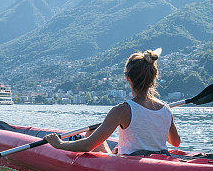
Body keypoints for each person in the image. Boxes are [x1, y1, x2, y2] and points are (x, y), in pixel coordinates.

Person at [44, 49, 180, 155]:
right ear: (154, 77)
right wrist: (154, 127)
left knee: (91, 136)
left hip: (132, 167)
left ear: (127, 76)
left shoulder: (122, 110)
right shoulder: (165, 109)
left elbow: (87, 145)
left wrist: (59, 144)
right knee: (92, 132)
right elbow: (175, 142)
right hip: (159, 161)